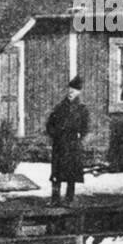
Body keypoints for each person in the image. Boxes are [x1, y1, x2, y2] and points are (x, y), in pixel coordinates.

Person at [45, 76, 90, 206]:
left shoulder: (82, 109)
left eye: (74, 90)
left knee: (71, 174)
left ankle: (69, 199)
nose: (71, 92)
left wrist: (79, 136)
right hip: (59, 144)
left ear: (79, 92)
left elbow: (85, 127)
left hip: (72, 145)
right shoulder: (59, 108)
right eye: (70, 89)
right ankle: (55, 198)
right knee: (56, 174)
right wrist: (54, 134)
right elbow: (49, 124)